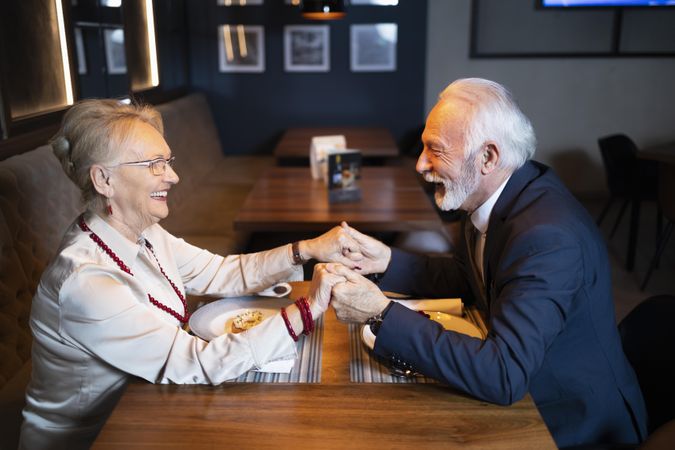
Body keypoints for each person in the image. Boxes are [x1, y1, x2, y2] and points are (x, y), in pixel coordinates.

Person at [325, 78, 648, 448]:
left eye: (435, 150)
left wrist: (381, 313)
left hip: (570, 422)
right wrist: (385, 260)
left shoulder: (547, 238)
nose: (420, 164)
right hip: (527, 394)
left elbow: (503, 375)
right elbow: (471, 277)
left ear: (488, 158)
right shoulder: (497, 192)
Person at [18, 99, 351, 450]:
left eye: (168, 162)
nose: (173, 176)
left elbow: (223, 272)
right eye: (154, 165)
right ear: (104, 179)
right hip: (95, 437)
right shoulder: (86, 281)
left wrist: (309, 249)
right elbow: (199, 364)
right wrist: (308, 307)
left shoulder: (144, 232)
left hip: (148, 405)